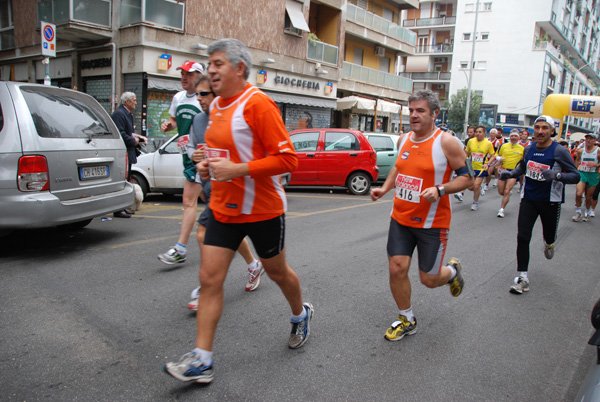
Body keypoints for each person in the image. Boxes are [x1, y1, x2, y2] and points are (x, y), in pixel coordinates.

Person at [163, 38, 313, 383]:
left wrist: (238, 169)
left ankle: (300, 312)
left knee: (278, 273)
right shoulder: (215, 109)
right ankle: (202, 361)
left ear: (239, 68)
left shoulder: (258, 104)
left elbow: (288, 159)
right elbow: (218, 156)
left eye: (217, 63)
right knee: (209, 279)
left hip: (263, 209)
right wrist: (207, 167)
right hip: (222, 207)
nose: (210, 70)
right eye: (209, 63)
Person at [370, 90, 473, 342]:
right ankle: (406, 318)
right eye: (411, 110)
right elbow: (399, 167)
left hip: (432, 224)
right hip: (401, 219)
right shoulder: (404, 138)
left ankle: (452, 272)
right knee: (397, 268)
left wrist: (440, 189)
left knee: (429, 279)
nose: (414, 115)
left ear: (434, 114)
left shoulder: (447, 142)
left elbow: (468, 178)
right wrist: (385, 187)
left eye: (420, 111)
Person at [186, 76, 264, 311]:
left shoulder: (232, 117)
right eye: (196, 94)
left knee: (202, 235)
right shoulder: (198, 120)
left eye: (203, 94)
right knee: (232, 233)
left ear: (216, 94)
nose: (198, 99)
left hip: (232, 189)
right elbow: (192, 147)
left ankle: (207, 286)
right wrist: (194, 158)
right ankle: (253, 266)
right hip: (212, 189)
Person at [498, 116, 579, 295]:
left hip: (550, 202)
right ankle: (522, 277)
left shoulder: (559, 151)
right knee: (523, 236)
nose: (540, 131)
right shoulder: (529, 149)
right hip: (529, 199)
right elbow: (522, 168)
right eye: (537, 127)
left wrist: (557, 176)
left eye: (544, 128)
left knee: (548, 236)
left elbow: (575, 176)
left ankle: (549, 244)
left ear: (551, 131)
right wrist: (509, 174)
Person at [157, 61, 205, 265]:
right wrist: (169, 125)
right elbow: (176, 121)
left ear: (199, 77)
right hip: (187, 155)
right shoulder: (178, 97)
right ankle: (252, 263)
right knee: (219, 213)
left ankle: (180, 248)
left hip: (201, 158)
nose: (184, 77)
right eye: (182, 73)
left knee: (188, 202)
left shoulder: (205, 98)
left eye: (189, 74)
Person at [111, 91, 140, 218]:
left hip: (129, 152)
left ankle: (124, 207)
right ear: (127, 101)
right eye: (134, 100)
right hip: (123, 153)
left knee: (127, 180)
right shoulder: (119, 114)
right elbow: (120, 134)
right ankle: (118, 209)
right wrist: (133, 141)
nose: (135, 103)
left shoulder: (127, 114)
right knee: (122, 182)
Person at [495, 130, 524, 218]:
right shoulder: (503, 146)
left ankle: (501, 210)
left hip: (514, 172)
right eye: (512, 136)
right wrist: (499, 158)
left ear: (518, 137)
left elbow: (524, 160)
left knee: (507, 190)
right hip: (503, 171)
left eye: (515, 136)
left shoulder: (522, 148)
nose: (513, 138)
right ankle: (507, 195)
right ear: (509, 137)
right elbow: (496, 154)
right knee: (501, 191)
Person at [466, 126, 495, 210]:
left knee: (476, 185)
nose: (478, 133)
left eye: (480, 132)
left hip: (481, 168)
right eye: (477, 132)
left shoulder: (488, 143)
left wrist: (488, 164)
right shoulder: (471, 141)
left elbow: (493, 156)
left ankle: (475, 203)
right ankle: (480, 188)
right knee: (470, 187)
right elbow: (466, 153)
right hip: (471, 167)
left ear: (484, 133)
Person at [572, 133, 600, 222]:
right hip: (582, 173)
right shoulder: (580, 151)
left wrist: (596, 164)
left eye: (591, 139)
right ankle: (578, 211)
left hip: (593, 175)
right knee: (579, 193)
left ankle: (587, 211)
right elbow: (578, 160)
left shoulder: (598, 151)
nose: (588, 140)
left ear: (594, 141)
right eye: (587, 138)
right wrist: (575, 171)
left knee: (589, 197)